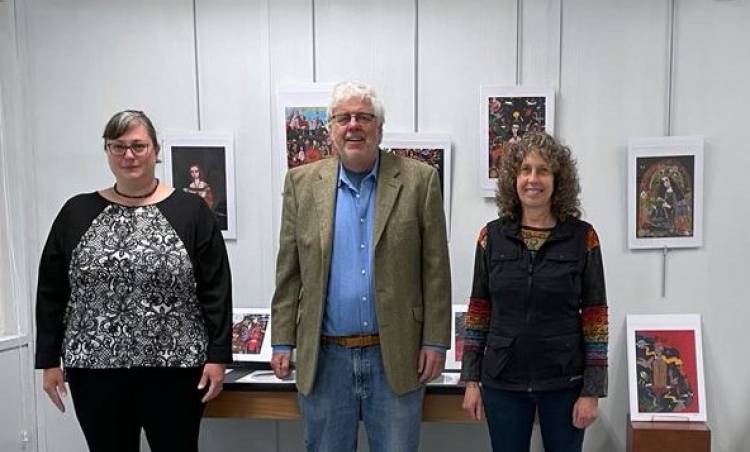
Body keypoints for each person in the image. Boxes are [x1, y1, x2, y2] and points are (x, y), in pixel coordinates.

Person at [35, 110, 232, 452]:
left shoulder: (191, 211)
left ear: (156, 150)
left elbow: (216, 289)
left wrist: (218, 356)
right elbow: (52, 291)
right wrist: (49, 360)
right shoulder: (76, 213)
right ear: (107, 151)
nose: (129, 155)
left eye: (138, 146)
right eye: (118, 146)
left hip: (175, 367)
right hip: (95, 369)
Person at [270, 81, 451, 452]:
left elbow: (436, 270)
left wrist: (435, 341)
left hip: (396, 356)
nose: (353, 125)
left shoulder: (419, 181)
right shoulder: (302, 184)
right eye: (344, 118)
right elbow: (289, 271)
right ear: (331, 129)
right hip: (325, 361)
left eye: (364, 117)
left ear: (379, 128)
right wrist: (282, 340)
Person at [461, 131, 608, 452]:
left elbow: (595, 318)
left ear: (558, 180)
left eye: (543, 170)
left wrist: (592, 390)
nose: (532, 179)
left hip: (564, 380)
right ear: (513, 179)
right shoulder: (491, 237)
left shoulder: (583, 238)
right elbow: (478, 311)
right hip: (503, 379)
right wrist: (471, 379)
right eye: (525, 169)